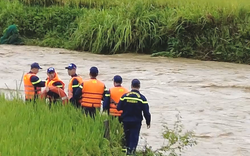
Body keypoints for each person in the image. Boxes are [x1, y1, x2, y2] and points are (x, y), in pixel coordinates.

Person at [117, 79, 151, 155]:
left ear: (131, 86)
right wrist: (148, 122)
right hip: (136, 122)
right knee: (134, 138)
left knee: (126, 136)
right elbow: (146, 112)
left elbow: (119, 108)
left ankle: (126, 152)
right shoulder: (142, 98)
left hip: (125, 120)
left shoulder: (124, 96)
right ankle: (132, 153)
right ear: (139, 86)